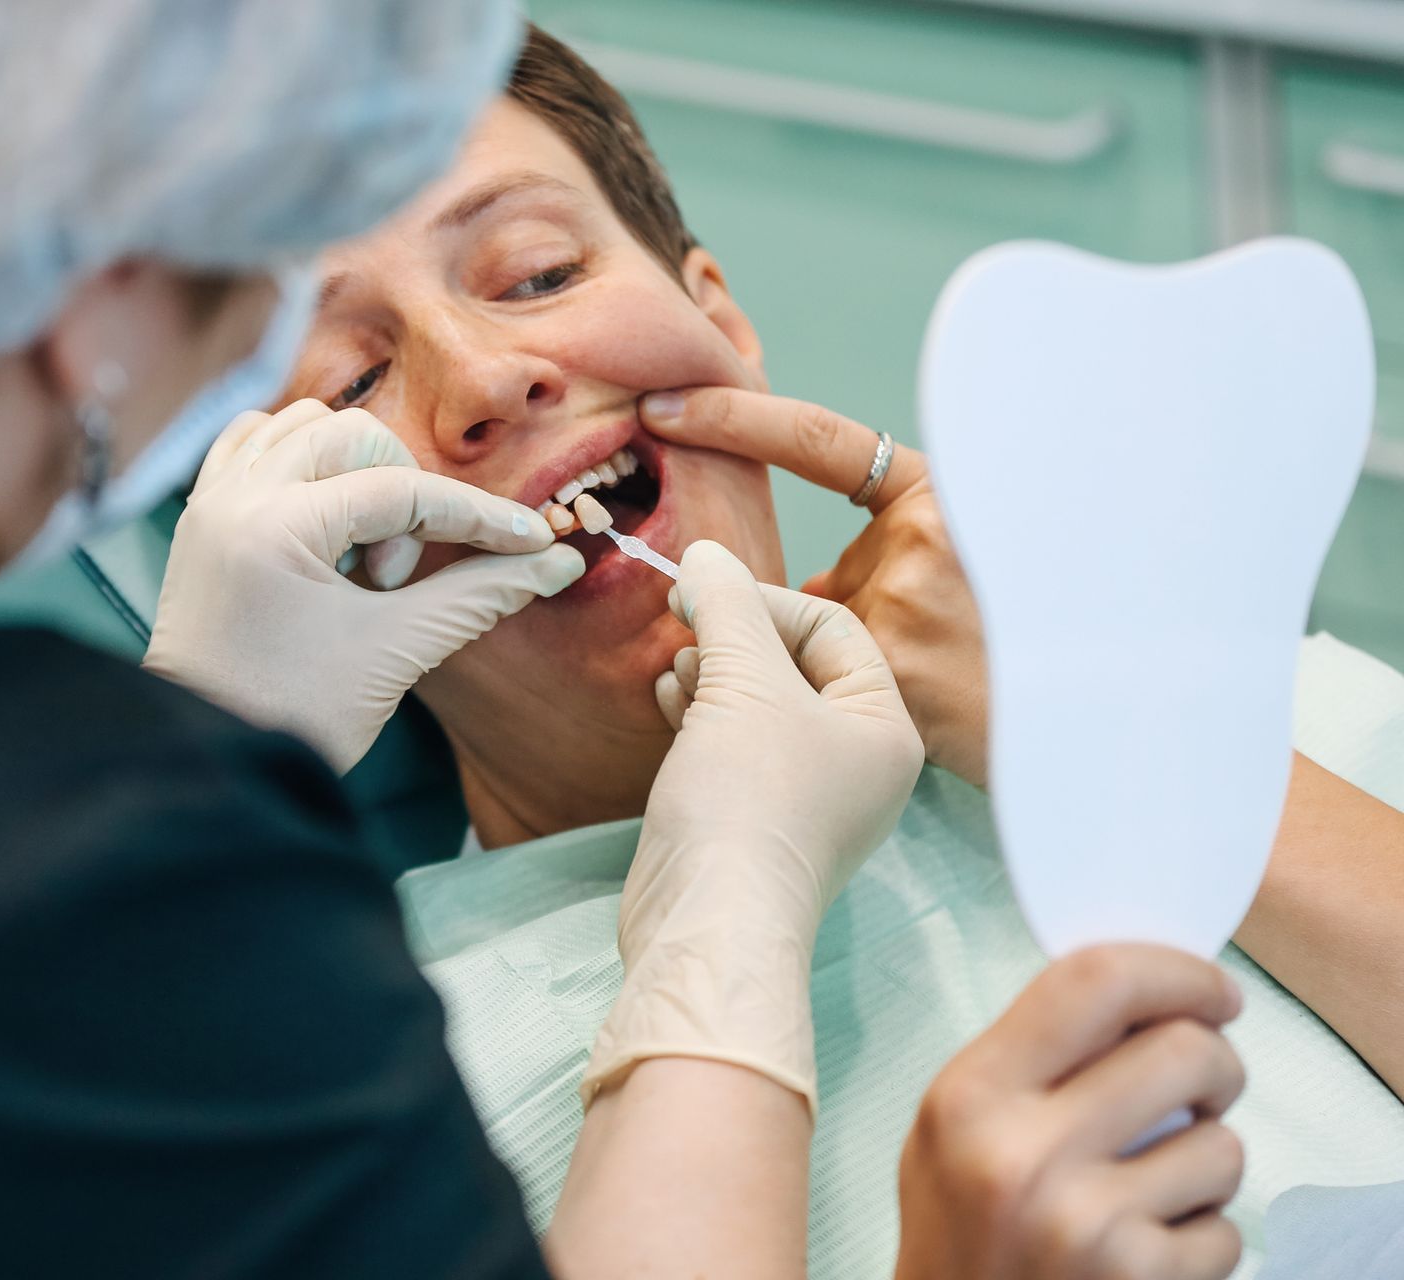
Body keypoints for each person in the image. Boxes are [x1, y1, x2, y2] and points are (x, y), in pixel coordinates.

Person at [0, 4, 1127, 1277]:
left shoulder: (1175, 725)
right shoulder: (87, 902)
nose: (484, 381)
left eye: (542, 268)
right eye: (310, 357)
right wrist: (721, 931)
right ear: (88, 263)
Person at [232, 25, 1403, 1276]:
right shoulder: (380, 1096)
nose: (485, 377)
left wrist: (1081, 712)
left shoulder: (1222, 692)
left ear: (719, 320)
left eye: (535, 274)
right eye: (351, 383)